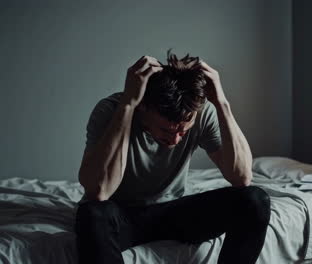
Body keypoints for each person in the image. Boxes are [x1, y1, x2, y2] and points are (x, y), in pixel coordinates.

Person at [75, 52, 271, 264]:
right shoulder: (111, 110)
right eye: (166, 130)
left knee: (255, 200)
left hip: (172, 212)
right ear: (144, 106)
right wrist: (128, 105)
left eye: (183, 132)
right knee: (92, 214)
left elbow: (241, 177)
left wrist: (221, 103)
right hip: (122, 216)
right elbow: (98, 191)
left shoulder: (201, 113)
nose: (175, 140)